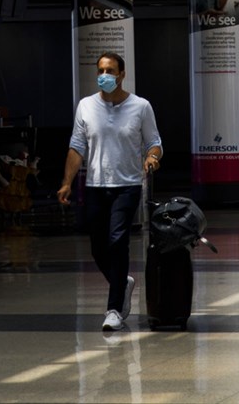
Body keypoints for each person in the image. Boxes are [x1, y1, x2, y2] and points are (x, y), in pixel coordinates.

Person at [58, 53, 162, 331]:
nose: (104, 75)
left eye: (110, 70)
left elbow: (154, 142)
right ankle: (122, 281)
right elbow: (76, 147)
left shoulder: (141, 107)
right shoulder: (86, 106)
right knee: (97, 249)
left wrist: (152, 157)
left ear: (122, 74)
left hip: (127, 185)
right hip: (95, 186)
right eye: (101, 70)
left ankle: (114, 309)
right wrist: (67, 182)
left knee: (117, 241)